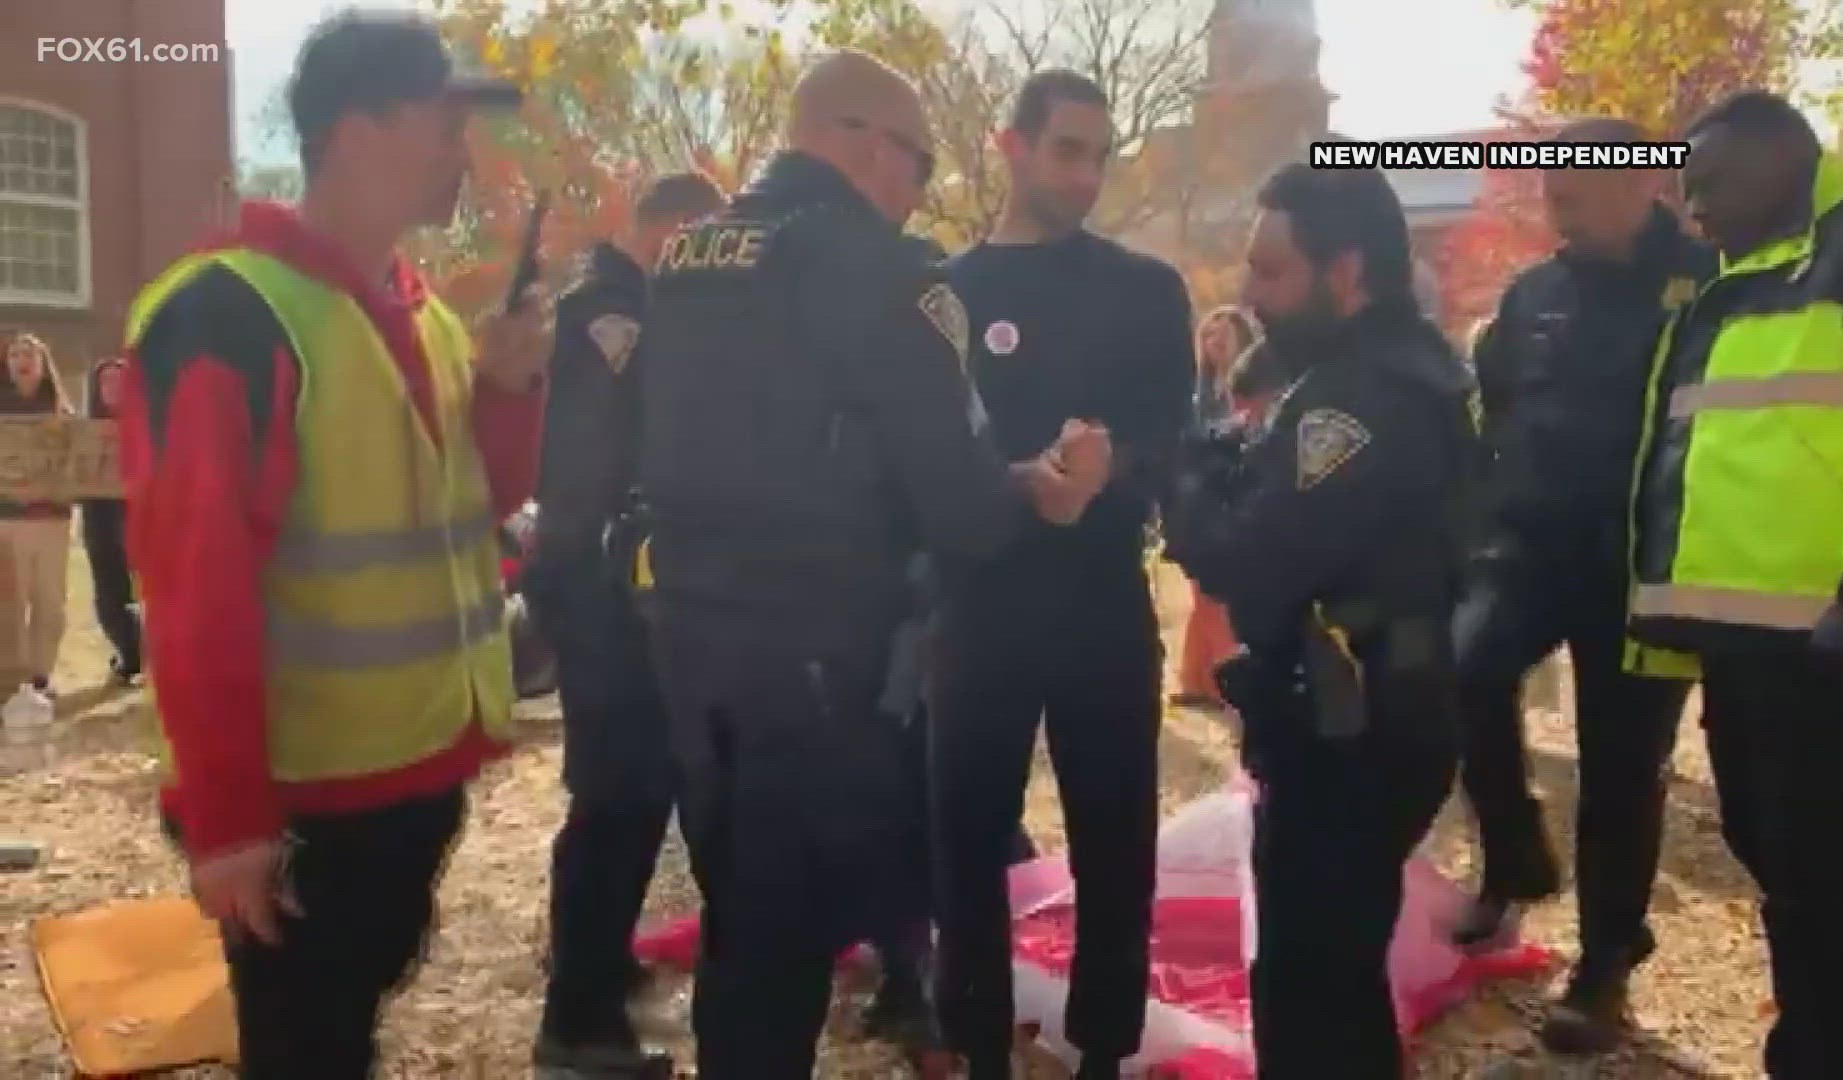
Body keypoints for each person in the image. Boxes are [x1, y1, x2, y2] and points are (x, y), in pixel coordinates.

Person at [637, 49, 1108, 1078]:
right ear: (862, 141)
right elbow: (962, 506)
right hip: (814, 658)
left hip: (685, 638)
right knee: (783, 945)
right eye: (922, 161)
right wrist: (1034, 487)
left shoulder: (686, 258)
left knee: (739, 918)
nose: (919, 189)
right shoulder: (885, 273)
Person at [117, 12, 545, 1078]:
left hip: (410, 769)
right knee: (305, 1049)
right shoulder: (225, 315)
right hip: (307, 798)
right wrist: (228, 823)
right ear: (358, 128)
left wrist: (505, 390)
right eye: (443, 124)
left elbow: (474, 503)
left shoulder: (426, 314)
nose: (464, 152)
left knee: (341, 1029)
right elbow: (193, 581)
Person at [1626, 90, 1843, 1079]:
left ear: (1784, 157)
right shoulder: (1727, 285)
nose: (1692, 205)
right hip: (1747, 648)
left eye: (1709, 181)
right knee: (1790, 883)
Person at [1163, 160, 1478, 1079]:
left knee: (1311, 983)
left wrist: (1176, 481)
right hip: (1388, 708)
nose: (1252, 295)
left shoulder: (1354, 398)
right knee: (1338, 973)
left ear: (1344, 273)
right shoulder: (1403, 370)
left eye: (1271, 272)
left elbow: (1249, 563)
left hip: (1349, 731)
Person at [929, 70, 1194, 1080]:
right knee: (964, 840)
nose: (1086, 173)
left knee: (1115, 838)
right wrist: (1015, 484)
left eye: (1098, 152)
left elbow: (1176, 441)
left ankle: (1104, 1051)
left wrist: (1106, 463)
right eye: (1066, 150)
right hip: (979, 600)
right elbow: (918, 462)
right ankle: (975, 1046)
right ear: (1010, 146)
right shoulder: (947, 295)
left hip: (1099, 600)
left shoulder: (1144, 288)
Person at [1449, 118, 1713, 1053]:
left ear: (1645, 183)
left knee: (1620, 765)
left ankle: (1605, 963)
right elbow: (1498, 406)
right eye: (1549, 175)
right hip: (1529, 549)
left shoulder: (1707, 284)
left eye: (1579, 177)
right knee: (1462, 671)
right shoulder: (1535, 294)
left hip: (1643, 564)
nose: (1555, 190)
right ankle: (1514, 856)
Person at [530, 171, 724, 1077]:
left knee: (630, 794)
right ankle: (578, 1022)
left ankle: (597, 970)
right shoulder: (610, 315)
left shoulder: (633, 309)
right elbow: (592, 469)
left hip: (616, 591)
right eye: (704, 239)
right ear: (671, 232)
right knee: (619, 797)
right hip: (604, 596)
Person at [1175, 305, 1262, 712]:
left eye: (1223, 337)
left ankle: (1218, 679)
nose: (1215, 345)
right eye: (1209, 337)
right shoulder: (1199, 394)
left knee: (1220, 596)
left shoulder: (1256, 384)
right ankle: (1199, 679)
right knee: (1204, 595)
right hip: (1202, 502)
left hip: (1239, 499)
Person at [0, 332, 73, 704]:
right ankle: (11, 680)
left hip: (51, 522)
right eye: (14, 353)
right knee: (9, 603)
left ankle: (41, 674)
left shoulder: (64, 415)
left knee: (50, 601)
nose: (20, 359)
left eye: (28, 353)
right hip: (7, 523)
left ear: (43, 364)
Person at [80, 355, 142, 684]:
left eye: (120, 380)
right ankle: (128, 656)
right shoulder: (80, 432)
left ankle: (149, 656)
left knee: (149, 592)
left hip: (142, 515)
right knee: (109, 592)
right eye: (105, 381)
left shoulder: (149, 427)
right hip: (100, 515)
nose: (112, 387)